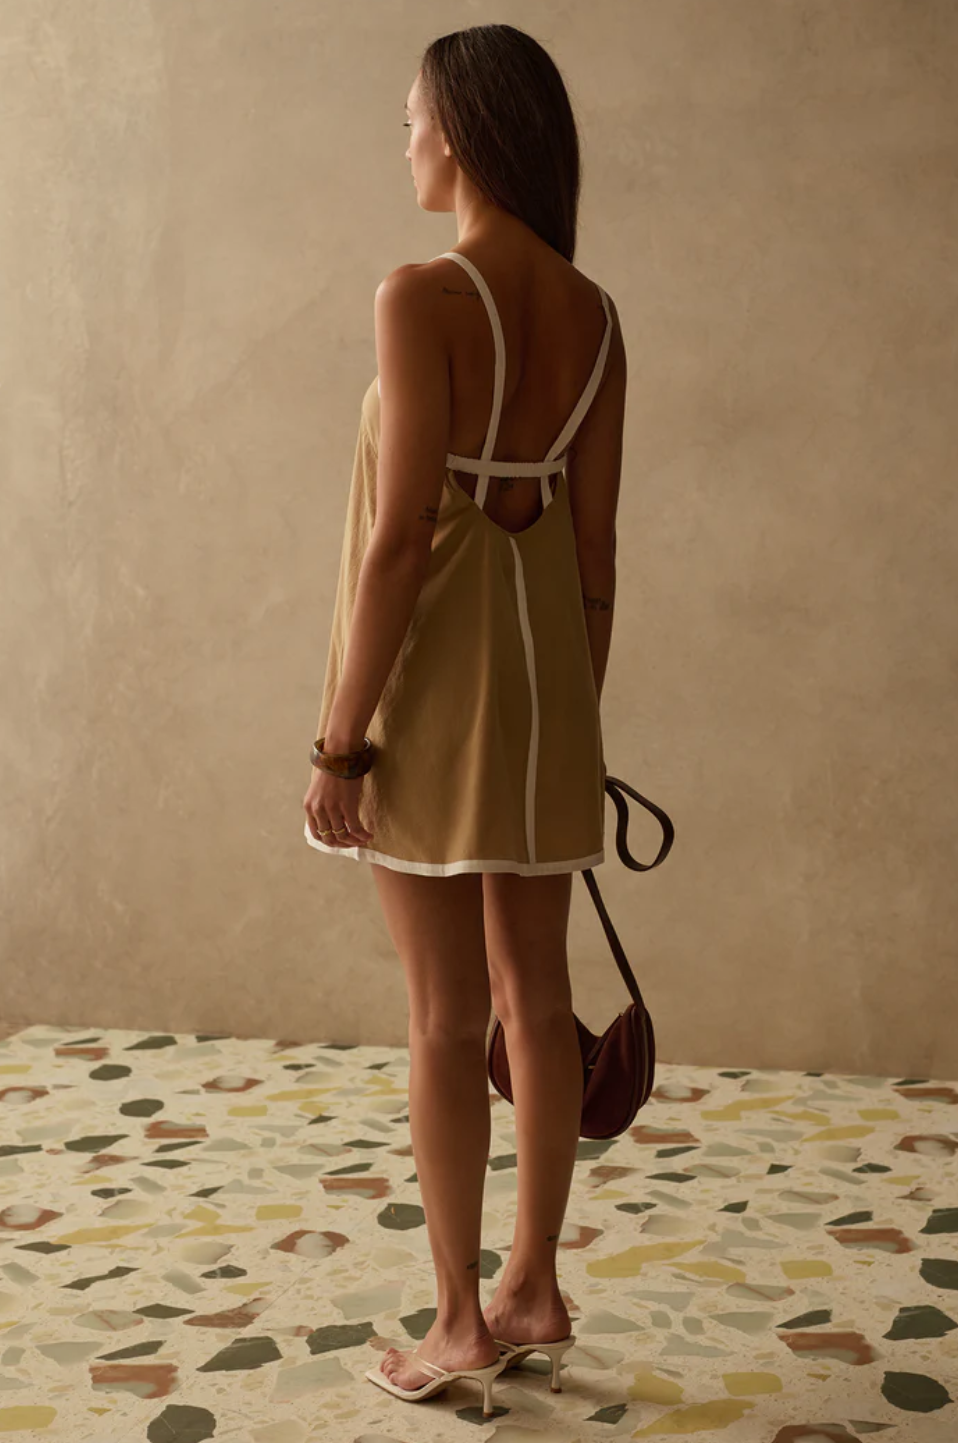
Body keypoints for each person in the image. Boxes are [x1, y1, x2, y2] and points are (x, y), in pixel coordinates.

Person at [302, 23, 626, 1414]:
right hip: (550, 704)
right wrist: (570, 728)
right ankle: (534, 1282)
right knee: (536, 1003)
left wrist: (341, 741)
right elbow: (594, 558)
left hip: (429, 695)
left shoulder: (421, 294)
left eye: (411, 120)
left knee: (443, 1016)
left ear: (464, 131)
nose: (406, 144)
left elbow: (395, 544)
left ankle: (456, 1321)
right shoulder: (596, 315)